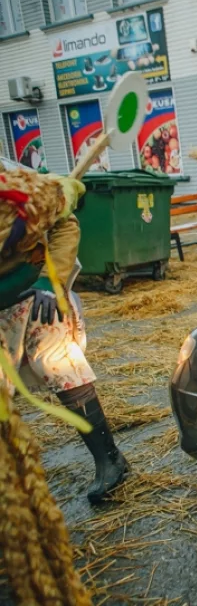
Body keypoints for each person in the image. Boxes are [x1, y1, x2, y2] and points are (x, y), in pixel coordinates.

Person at [0, 168, 129, 504]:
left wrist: (50, 279)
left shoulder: (15, 191)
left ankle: (110, 459)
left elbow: (65, 223)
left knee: (59, 365)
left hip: (37, 297)